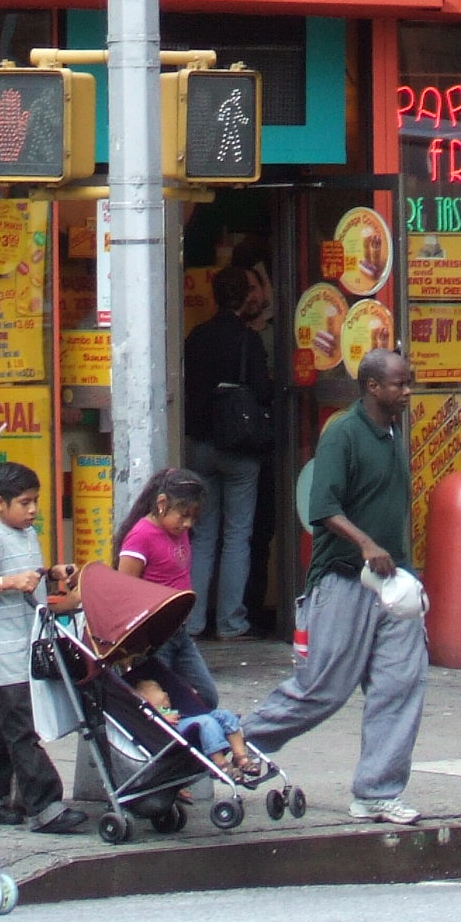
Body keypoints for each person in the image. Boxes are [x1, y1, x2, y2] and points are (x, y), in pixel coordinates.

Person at [239, 349, 428, 826]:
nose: (407, 392)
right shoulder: (343, 433)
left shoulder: (391, 433)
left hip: (393, 585)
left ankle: (377, 792)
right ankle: (235, 743)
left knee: (400, 685)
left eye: (408, 383)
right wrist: (365, 543)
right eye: (398, 384)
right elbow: (321, 507)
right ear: (371, 387)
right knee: (323, 689)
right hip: (344, 580)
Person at [0, 461, 85, 834]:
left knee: (6, 727)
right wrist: (10, 581)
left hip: (26, 645)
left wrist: (51, 572)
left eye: (35, 502)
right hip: (2, 652)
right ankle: (45, 805)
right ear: (0, 503)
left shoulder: (27, 535)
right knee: (23, 728)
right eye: (25, 503)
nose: (32, 510)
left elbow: (31, 574)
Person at [181, 261, 274, 640]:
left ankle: (194, 620)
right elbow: (264, 391)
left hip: (202, 443)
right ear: (244, 298)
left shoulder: (197, 336)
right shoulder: (248, 340)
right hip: (239, 447)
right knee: (238, 535)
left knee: (202, 535)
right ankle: (231, 622)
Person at [115, 466, 217, 712]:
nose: (188, 524)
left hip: (180, 633)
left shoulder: (177, 531)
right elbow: (123, 590)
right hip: (154, 638)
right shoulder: (140, 536)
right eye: (183, 515)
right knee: (163, 704)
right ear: (161, 503)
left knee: (206, 696)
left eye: (193, 517)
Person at [132, 671, 263, 782]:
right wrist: (159, 716)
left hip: (184, 719)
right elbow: (145, 720)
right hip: (172, 731)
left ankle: (241, 757)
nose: (165, 693)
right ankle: (221, 764)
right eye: (158, 689)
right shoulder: (148, 712)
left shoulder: (168, 708)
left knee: (225, 715)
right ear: (145, 698)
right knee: (206, 722)